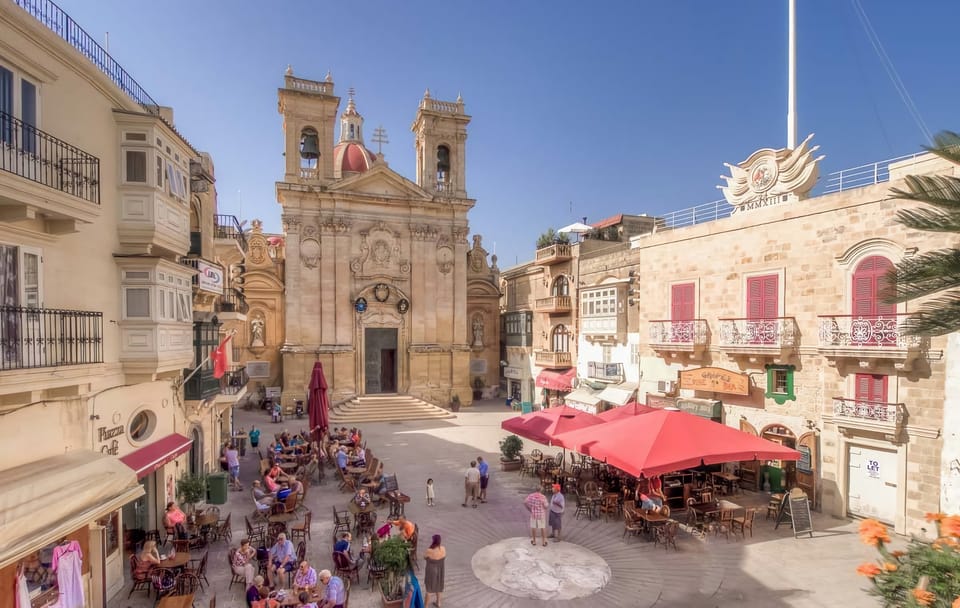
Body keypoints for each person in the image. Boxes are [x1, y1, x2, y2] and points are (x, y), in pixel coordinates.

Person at [423, 535, 446, 608]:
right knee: (439, 586)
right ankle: (438, 603)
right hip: (440, 570)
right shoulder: (443, 549)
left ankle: (425, 606)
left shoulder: (429, 550)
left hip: (431, 571)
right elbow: (444, 556)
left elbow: (424, 557)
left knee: (429, 589)